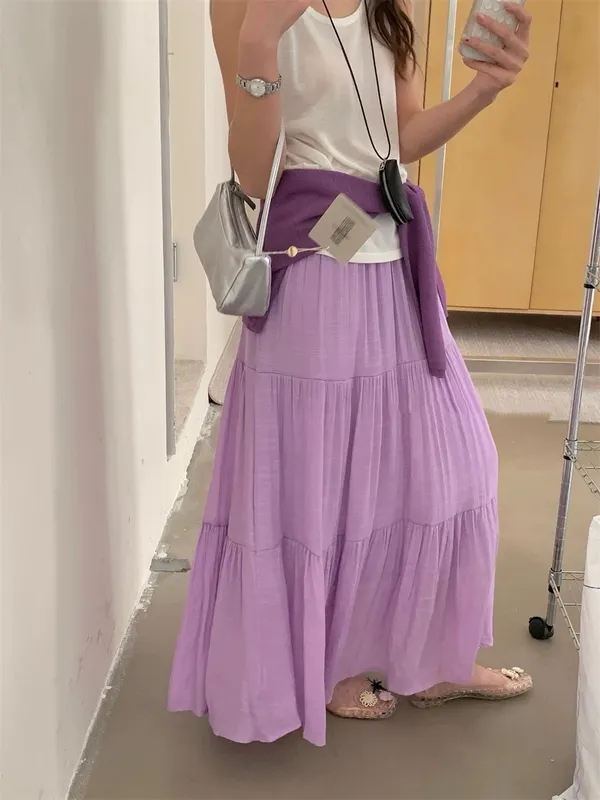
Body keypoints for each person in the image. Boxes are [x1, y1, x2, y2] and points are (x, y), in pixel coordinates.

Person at [169, 0, 534, 746]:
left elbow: (399, 138)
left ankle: (429, 657)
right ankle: (333, 665)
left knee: (455, 466)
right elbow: (254, 172)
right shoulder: (245, 6)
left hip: (392, 262)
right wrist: (261, 36)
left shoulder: (386, 6)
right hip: (312, 269)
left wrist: (482, 91)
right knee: (319, 487)